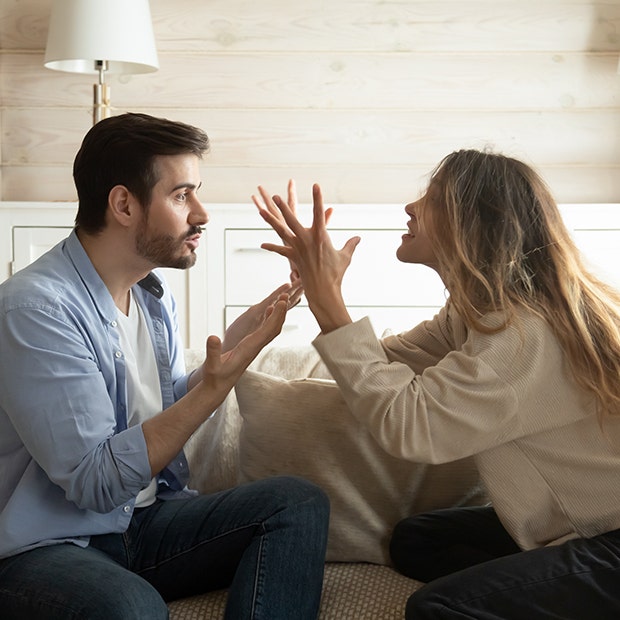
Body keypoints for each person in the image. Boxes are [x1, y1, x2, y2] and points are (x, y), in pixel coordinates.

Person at [252, 150, 620, 619]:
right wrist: (322, 293)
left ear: (472, 221)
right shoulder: (478, 316)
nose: (411, 208)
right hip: (579, 524)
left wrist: (331, 302)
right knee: (417, 541)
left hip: (610, 539)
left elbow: (412, 425)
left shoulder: (524, 334)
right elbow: (381, 367)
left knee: (437, 608)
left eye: (432, 198)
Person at [0, 113, 329, 620]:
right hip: (47, 544)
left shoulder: (151, 296)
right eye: (182, 196)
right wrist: (211, 392)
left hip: (142, 521)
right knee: (132, 607)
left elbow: (166, 403)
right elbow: (95, 483)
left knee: (296, 503)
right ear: (124, 204)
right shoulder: (36, 311)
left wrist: (253, 333)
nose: (202, 213)